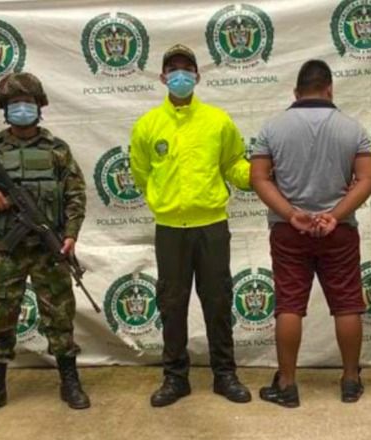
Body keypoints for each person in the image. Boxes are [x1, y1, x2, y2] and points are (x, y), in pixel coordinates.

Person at [0, 72, 91, 416]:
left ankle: (69, 380)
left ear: (39, 106)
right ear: (4, 108)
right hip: (5, 248)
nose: (22, 108)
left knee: (59, 314)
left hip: (49, 249)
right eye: (15, 103)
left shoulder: (57, 150)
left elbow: (75, 195)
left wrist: (70, 235)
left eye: (28, 102)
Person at [251, 60, 371, 408]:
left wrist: (291, 214)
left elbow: (258, 177)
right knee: (347, 304)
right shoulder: (353, 128)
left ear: (296, 92)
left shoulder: (272, 128)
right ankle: (350, 381)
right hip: (339, 231)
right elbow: (369, 178)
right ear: (329, 89)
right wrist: (335, 216)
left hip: (288, 230)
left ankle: (287, 385)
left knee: (289, 305)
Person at [129, 44, 252, 407]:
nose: (180, 75)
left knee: (218, 301)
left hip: (212, 226)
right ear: (163, 77)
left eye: (187, 68)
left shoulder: (218, 121)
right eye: (173, 69)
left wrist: (258, 174)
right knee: (172, 304)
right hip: (170, 229)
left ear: (197, 76)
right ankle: (175, 378)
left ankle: (225, 375)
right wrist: (163, 200)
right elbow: (141, 174)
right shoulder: (148, 125)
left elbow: (234, 164)